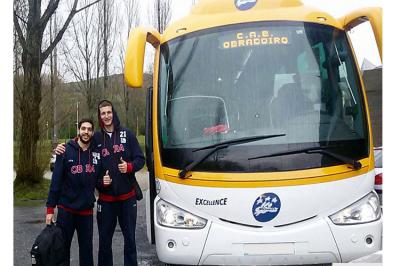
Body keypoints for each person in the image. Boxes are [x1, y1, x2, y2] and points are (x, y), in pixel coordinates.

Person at [56, 100, 145, 266]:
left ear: (113, 113)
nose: (106, 116)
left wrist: (129, 166)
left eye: (109, 112)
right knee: (104, 244)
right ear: (100, 116)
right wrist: (63, 146)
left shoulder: (127, 134)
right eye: (103, 113)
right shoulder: (96, 137)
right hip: (106, 201)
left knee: (130, 242)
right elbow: (80, 142)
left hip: (128, 199)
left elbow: (141, 159)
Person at [46, 118, 102, 266]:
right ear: (78, 130)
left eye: (89, 129)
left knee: (86, 252)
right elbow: (56, 181)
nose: (86, 132)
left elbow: (98, 180)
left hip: (86, 212)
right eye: (83, 128)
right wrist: (50, 209)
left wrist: (105, 181)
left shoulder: (96, 152)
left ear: (92, 132)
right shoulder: (65, 150)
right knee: (62, 251)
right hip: (66, 211)